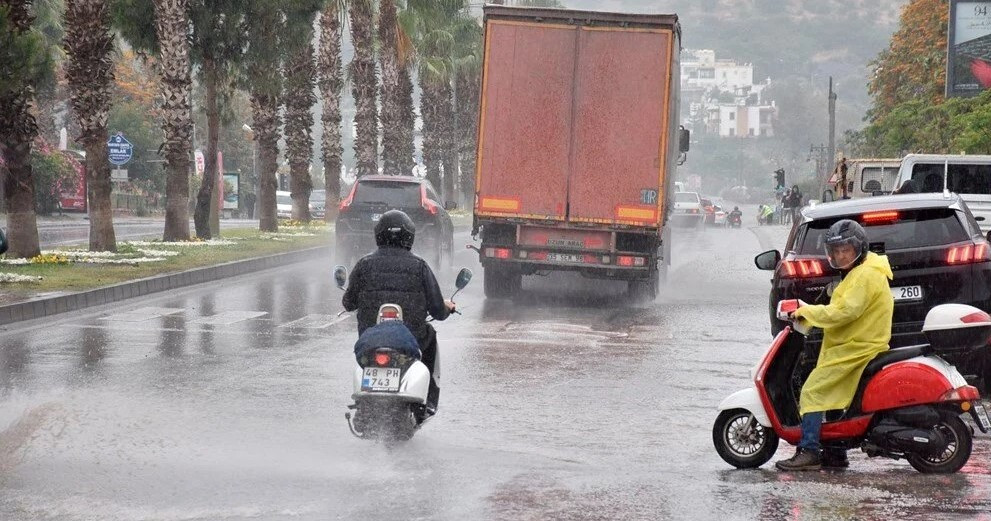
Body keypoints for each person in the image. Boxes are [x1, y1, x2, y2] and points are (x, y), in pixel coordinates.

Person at [775, 219, 894, 471]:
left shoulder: (865, 275)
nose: (840, 256)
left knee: (813, 392)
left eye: (846, 251)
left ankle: (808, 451)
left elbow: (843, 312)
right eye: (836, 251)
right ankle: (835, 452)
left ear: (859, 249)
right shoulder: (860, 272)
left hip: (857, 347)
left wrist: (807, 312)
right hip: (851, 344)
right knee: (836, 401)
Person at [342, 210, 456, 415]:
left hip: (370, 339)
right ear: (409, 236)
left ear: (378, 235)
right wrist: (447, 307)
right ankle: (428, 400)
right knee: (430, 334)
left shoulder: (364, 265)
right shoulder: (420, 266)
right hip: (412, 340)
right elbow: (438, 311)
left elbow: (348, 303)